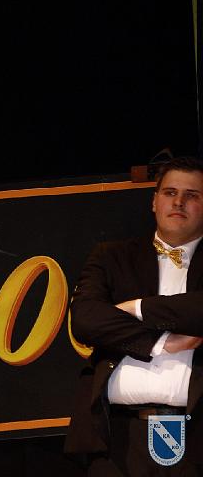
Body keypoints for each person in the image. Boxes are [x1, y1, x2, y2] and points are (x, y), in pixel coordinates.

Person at [66, 156, 203, 475]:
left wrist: (137, 308)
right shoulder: (112, 256)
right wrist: (158, 342)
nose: (179, 202)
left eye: (192, 195)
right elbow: (85, 319)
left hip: (198, 438)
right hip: (117, 438)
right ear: (154, 201)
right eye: (170, 192)